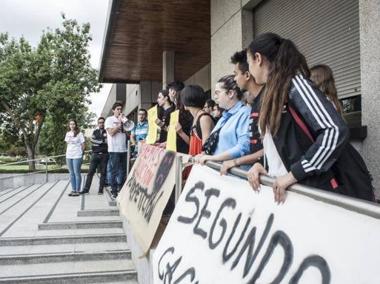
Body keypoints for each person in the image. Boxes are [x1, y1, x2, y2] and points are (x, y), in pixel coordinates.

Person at [245, 32, 350, 203]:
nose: (249, 70)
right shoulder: (273, 92)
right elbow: (281, 146)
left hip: (310, 193)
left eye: (248, 62)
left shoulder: (295, 85)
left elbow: (335, 131)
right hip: (288, 194)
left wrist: (294, 174)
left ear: (258, 58)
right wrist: (264, 166)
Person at [220, 50, 265, 174]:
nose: (234, 79)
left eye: (236, 74)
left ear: (247, 75)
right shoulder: (255, 104)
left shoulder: (267, 102)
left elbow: (271, 149)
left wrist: (235, 162)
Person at [195, 75, 251, 164]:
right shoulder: (224, 117)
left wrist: (213, 158)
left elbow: (243, 147)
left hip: (235, 174)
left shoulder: (245, 113)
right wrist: (205, 155)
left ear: (230, 93)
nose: (215, 97)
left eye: (217, 93)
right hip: (220, 170)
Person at [176, 85, 215, 156]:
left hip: (201, 164)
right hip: (196, 162)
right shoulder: (196, 117)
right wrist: (180, 132)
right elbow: (192, 144)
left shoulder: (204, 118)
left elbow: (206, 149)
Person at [105, 102, 128, 199]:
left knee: (123, 171)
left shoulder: (124, 119)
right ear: (113, 110)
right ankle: (114, 191)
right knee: (113, 171)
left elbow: (128, 131)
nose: (120, 111)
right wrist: (119, 123)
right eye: (118, 109)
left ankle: (121, 190)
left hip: (123, 149)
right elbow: (111, 133)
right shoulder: (109, 120)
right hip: (114, 149)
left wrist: (125, 123)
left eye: (121, 109)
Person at [81, 117, 108, 195]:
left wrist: (99, 142)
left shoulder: (107, 131)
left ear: (104, 123)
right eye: (100, 122)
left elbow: (108, 141)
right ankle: (86, 189)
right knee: (90, 172)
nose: (101, 124)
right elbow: (92, 140)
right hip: (95, 154)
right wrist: (102, 141)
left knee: (103, 173)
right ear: (98, 123)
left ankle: (100, 190)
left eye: (102, 122)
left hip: (104, 155)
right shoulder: (95, 132)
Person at [168, 81, 193, 154]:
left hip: (185, 152)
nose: (168, 95)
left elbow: (193, 140)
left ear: (173, 92)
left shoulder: (185, 110)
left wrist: (180, 132)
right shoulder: (174, 109)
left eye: (169, 92)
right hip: (176, 150)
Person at [65, 119, 85, 196]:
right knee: (71, 173)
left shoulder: (80, 134)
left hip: (77, 155)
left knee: (77, 173)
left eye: (73, 124)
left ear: (76, 125)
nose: (72, 125)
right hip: (69, 155)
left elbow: (83, 145)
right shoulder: (67, 133)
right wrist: (67, 153)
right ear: (69, 125)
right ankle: (73, 190)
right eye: (70, 124)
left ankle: (77, 190)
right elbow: (68, 144)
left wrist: (81, 153)